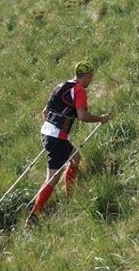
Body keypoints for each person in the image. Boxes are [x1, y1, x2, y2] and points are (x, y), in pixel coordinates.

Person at [27, 61, 111, 224]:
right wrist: (101, 119)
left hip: (47, 132)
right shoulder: (78, 90)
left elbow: (45, 111)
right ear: (85, 76)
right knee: (53, 177)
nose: (91, 81)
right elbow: (82, 116)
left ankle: (69, 194)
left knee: (75, 158)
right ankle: (34, 214)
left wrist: (51, 130)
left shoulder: (62, 86)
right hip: (56, 136)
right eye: (91, 77)